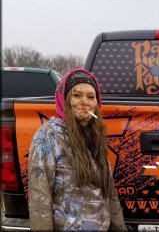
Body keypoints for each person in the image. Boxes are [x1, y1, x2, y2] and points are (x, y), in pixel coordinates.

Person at [28, 68, 127, 231]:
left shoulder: (96, 137)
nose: (84, 102)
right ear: (64, 99)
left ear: (97, 103)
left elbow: (110, 194)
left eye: (90, 96)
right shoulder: (48, 137)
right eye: (76, 95)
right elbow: (40, 201)